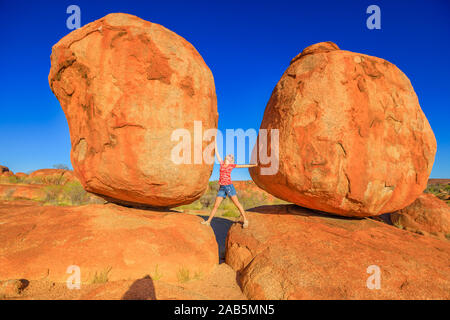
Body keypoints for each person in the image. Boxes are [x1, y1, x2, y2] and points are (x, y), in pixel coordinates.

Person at [201, 137, 257, 228]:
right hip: (222, 187)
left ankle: (245, 220)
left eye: (231, 156)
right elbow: (217, 152)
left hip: (229, 187)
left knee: (237, 204)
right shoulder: (222, 163)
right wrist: (215, 141)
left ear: (231, 160)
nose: (229, 155)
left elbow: (243, 166)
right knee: (216, 205)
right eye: (229, 155)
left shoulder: (232, 165)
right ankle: (208, 221)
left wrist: (253, 165)